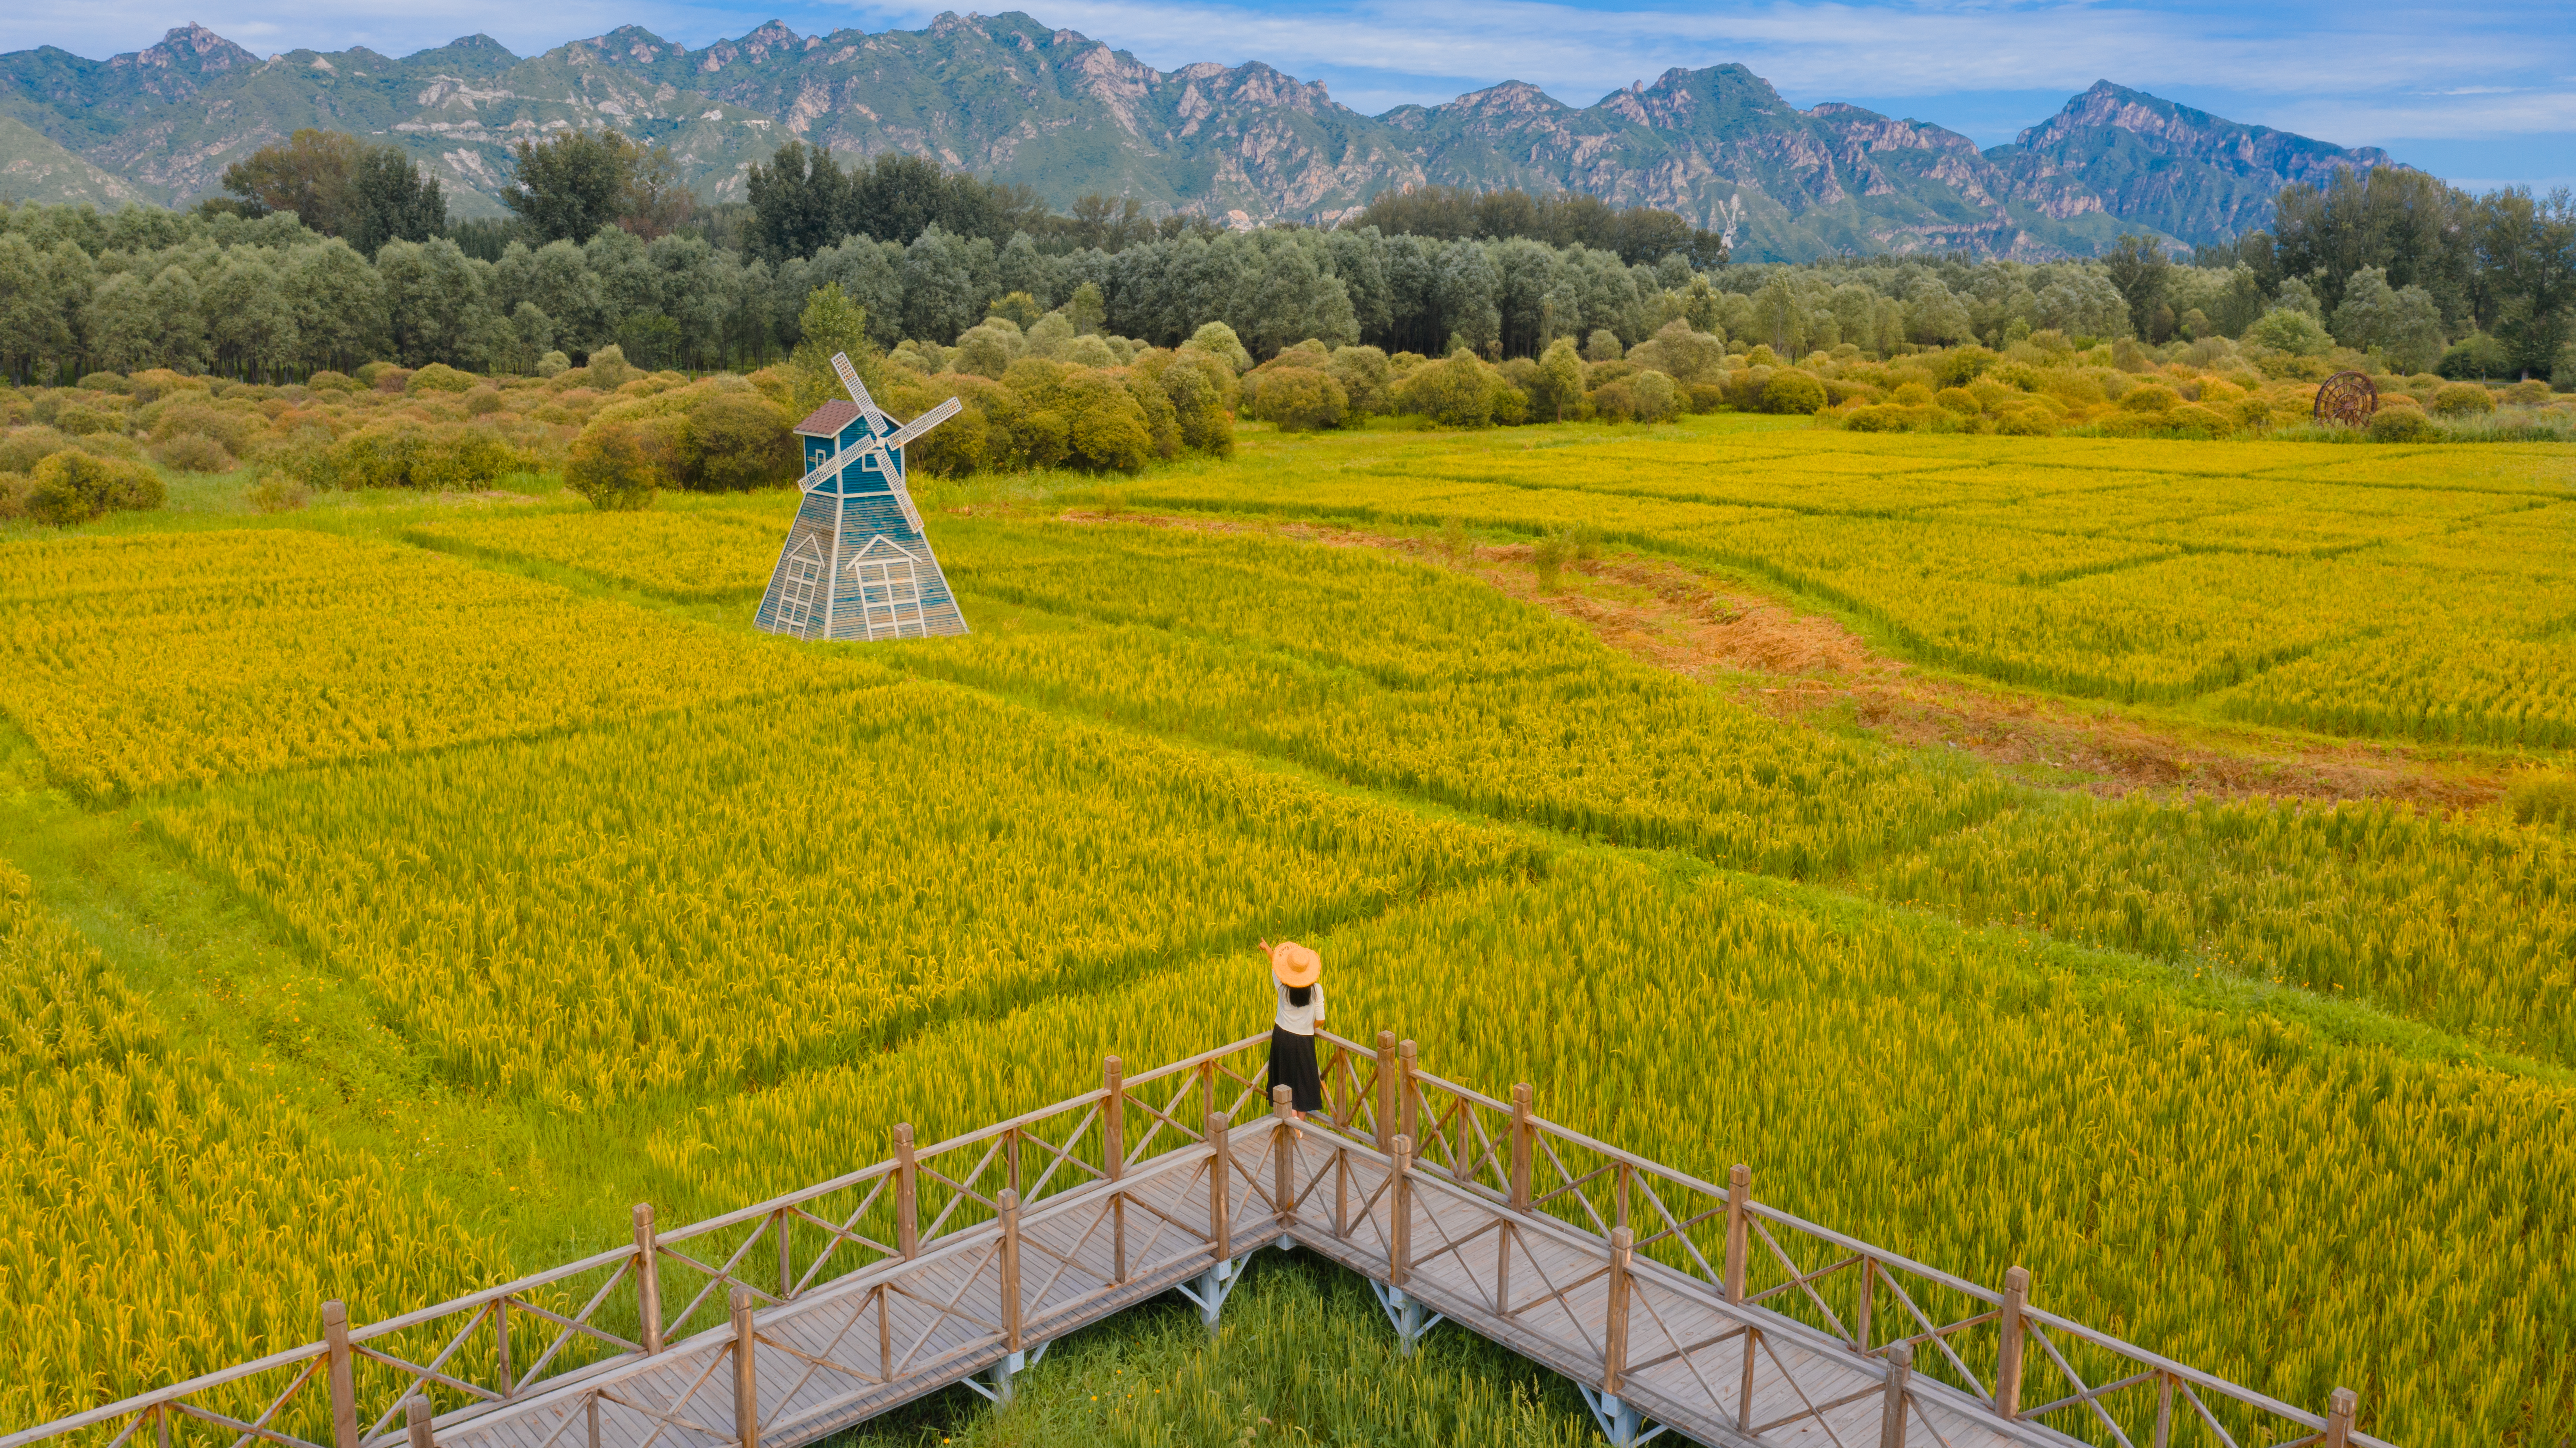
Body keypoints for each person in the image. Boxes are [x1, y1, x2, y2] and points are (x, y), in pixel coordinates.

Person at [1261, 938, 1325, 1121]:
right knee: (1304, 1080)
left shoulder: (1282, 987)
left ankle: (1292, 1120)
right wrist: (1309, 1027)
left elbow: (1276, 966)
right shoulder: (1316, 990)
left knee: (1284, 1080)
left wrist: (1268, 949)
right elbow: (1321, 1019)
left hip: (1282, 1037)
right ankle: (1300, 1126)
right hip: (1305, 1040)